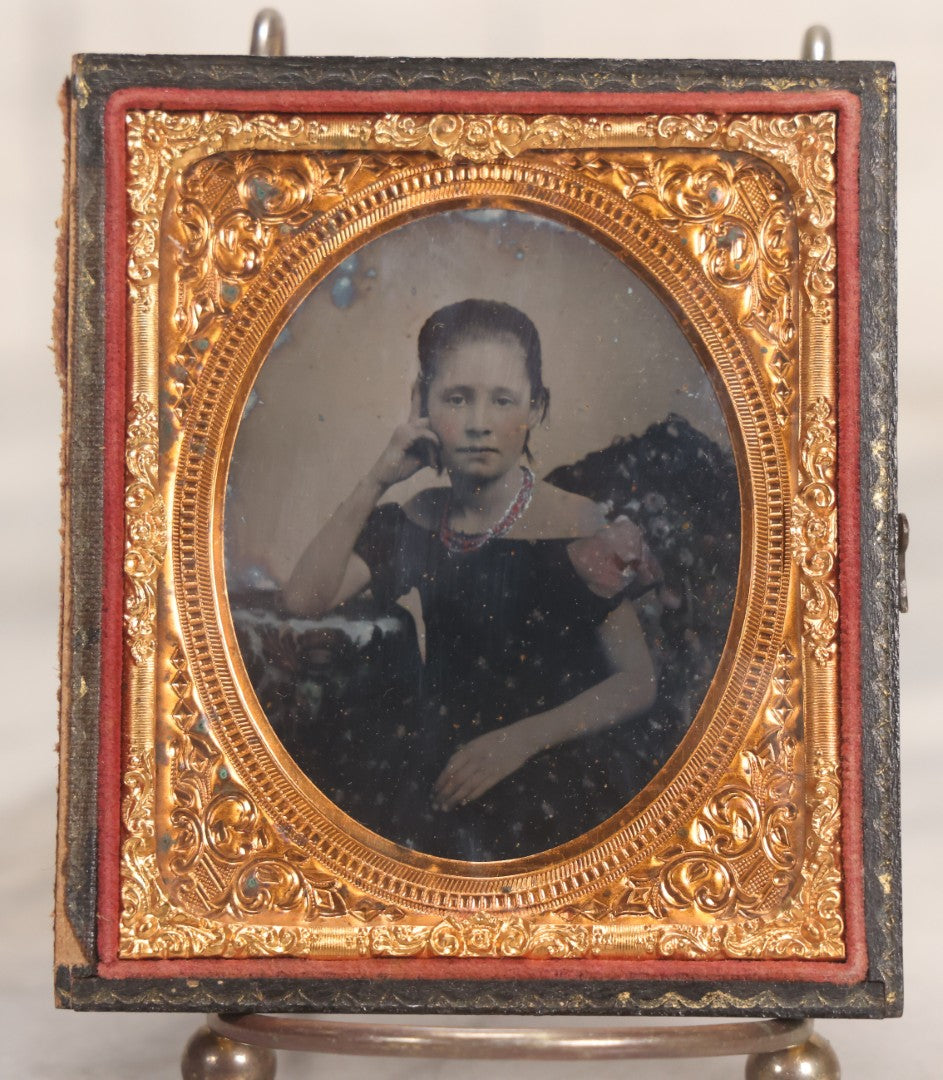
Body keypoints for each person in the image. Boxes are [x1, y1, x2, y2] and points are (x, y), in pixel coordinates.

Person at [284, 299, 661, 861]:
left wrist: (521, 741)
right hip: (448, 774)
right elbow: (303, 599)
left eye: (502, 400)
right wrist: (378, 478)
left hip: (553, 771)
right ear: (422, 402)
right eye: (457, 398)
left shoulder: (580, 523)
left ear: (536, 407)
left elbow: (638, 681)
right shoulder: (417, 519)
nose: (479, 422)